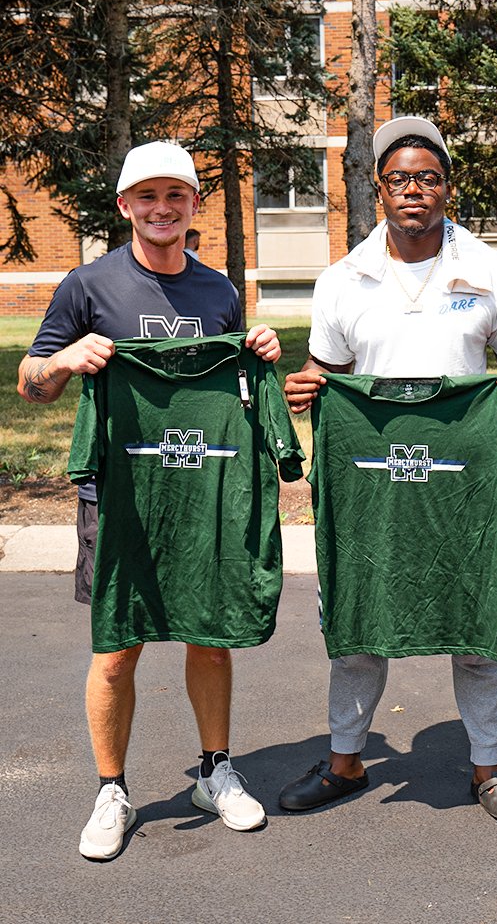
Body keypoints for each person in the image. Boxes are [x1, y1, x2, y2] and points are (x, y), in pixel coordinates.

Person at [18, 140, 282, 860]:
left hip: (202, 489)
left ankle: (216, 771)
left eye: (177, 196)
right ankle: (111, 789)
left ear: (195, 206)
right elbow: (29, 379)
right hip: (121, 494)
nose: (162, 209)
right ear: (125, 206)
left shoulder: (217, 290)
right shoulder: (88, 285)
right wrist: (68, 360)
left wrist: (256, 347)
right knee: (115, 649)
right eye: (148, 197)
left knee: (210, 636)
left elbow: (232, 385)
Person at [277, 115, 497, 822]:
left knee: (478, 625)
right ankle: (345, 763)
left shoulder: (492, 273)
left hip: (466, 486)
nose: (414, 191)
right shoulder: (343, 281)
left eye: (428, 177)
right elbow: (324, 373)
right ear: (379, 190)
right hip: (373, 488)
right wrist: (303, 386)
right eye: (400, 179)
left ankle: (488, 770)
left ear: (448, 187)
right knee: (360, 623)